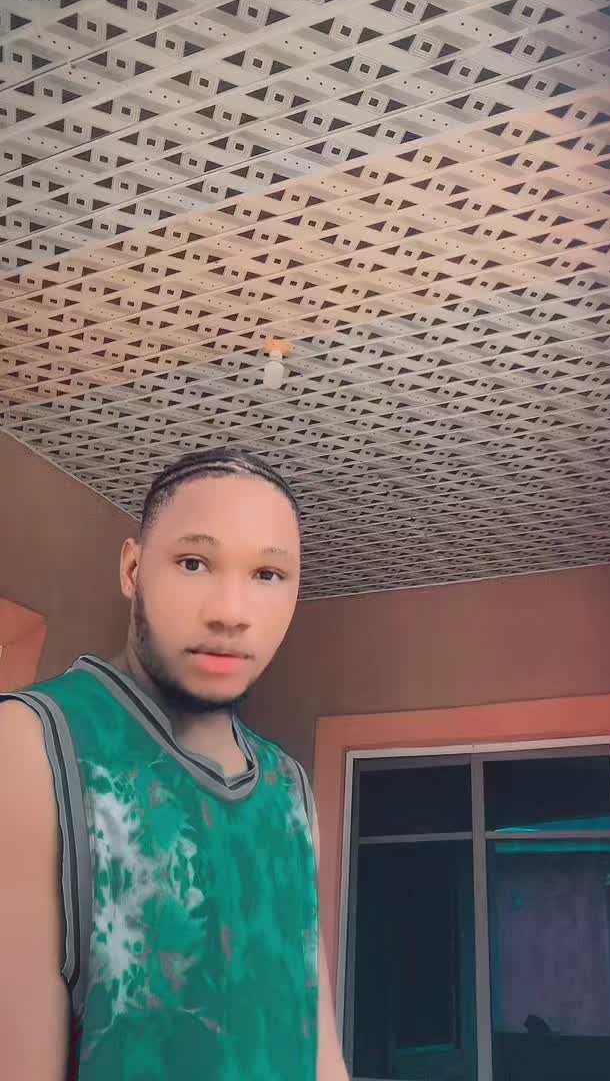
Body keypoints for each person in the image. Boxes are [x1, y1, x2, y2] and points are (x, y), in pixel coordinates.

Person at [0, 447, 350, 1081]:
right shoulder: (33, 742)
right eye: (194, 562)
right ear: (133, 569)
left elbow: (319, 1049)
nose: (230, 612)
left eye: (268, 574)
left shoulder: (291, 790)